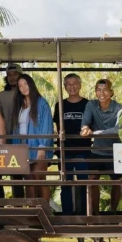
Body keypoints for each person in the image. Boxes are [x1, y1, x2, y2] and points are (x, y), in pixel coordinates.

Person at [79, 79, 122, 215]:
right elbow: (85, 123)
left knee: (118, 182)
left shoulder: (119, 108)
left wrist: (97, 133)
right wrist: (85, 129)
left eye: (105, 90)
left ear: (111, 92)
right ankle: (96, 214)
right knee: (92, 179)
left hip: (115, 152)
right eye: (98, 89)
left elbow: (118, 129)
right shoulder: (91, 105)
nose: (101, 93)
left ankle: (113, 212)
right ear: (95, 92)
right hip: (97, 151)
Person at [13, 75, 54, 202]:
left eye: (25, 84)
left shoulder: (41, 103)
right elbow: (16, 129)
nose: (23, 87)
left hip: (38, 146)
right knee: (29, 180)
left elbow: (46, 125)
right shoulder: (20, 106)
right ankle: (32, 213)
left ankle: (45, 212)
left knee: (39, 178)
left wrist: (42, 146)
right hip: (24, 148)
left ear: (31, 84)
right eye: (20, 86)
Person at [54, 74, 89, 215]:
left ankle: (84, 215)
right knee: (65, 184)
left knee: (83, 184)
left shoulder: (88, 104)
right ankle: (67, 215)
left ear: (80, 85)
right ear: (64, 87)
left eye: (75, 83)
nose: (72, 86)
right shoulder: (60, 105)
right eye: (68, 84)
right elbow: (58, 128)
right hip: (65, 150)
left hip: (83, 150)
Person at [0, 63, 25, 198]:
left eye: (15, 74)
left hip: (26, 140)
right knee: (14, 175)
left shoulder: (27, 93)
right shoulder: (1, 96)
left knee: (30, 175)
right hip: (7, 140)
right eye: (9, 75)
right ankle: (15, 207)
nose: (12, 78)